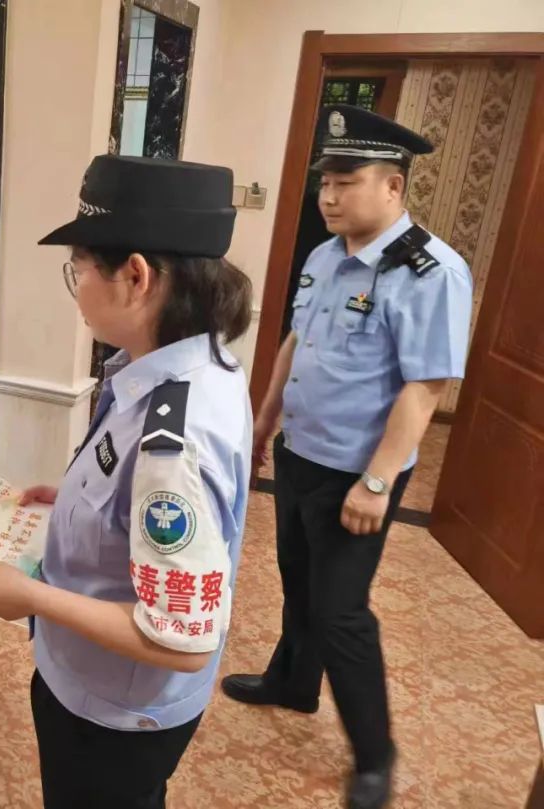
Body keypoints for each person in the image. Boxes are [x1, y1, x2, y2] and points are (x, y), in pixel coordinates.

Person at [0, 154, 253, 809]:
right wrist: (68, 498)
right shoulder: (182, 365)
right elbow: (127, 495)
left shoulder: (173, 442)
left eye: (80, 269)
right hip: (99, 683)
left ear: (136, 276)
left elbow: (181, 639)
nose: (76, 290)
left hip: (114, 713)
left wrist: (31, 597)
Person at [221, 105, 473, 809]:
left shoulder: (431, 272)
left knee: (341, 612)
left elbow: (425, 388)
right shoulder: (325, 256)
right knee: (298, 580)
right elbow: (296, 342)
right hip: (302, 451)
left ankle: (374, 753)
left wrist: (378, 481)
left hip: (358, 472)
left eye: (347, 181)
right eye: (324, 182)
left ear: (393, 186)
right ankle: (294, 682)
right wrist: (264, 420)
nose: (329, 196)